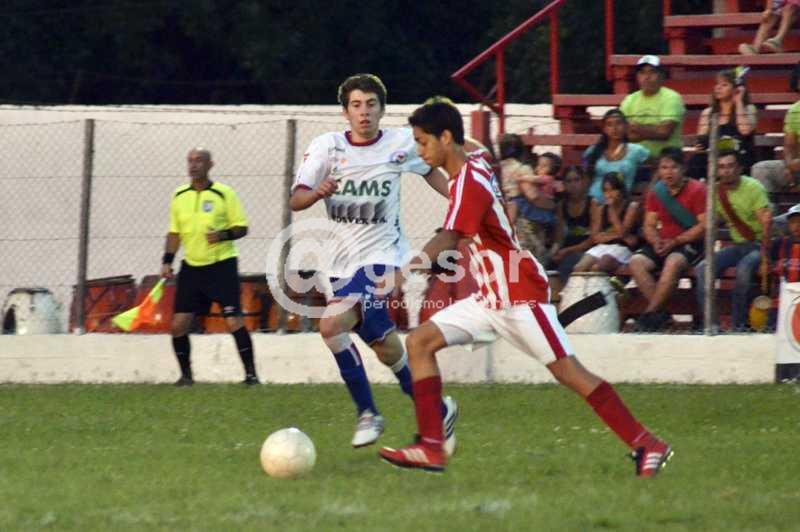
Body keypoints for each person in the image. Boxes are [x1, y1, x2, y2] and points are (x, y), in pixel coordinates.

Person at [378, 100, 673, 477]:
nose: (419, 151)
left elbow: (449, 237)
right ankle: (431, 447)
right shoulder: (474, 163)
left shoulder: (469, 183)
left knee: (570, 373)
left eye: (423, 141)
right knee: (419, 342)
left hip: (520, 298)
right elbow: (478, 149)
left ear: (445, 138)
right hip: (489, 298)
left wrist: (402, 274)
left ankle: (648, 444)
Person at [289, 74, 457, 452]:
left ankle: (368, 413)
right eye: (356, 105)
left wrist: (461, 198)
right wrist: (317, 193)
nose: (364, 112)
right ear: (345, 112)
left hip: (384, 259)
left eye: (370, 105)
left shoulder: (400, 142)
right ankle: (438, 409)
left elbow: (431, 171)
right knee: (387, 350)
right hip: (340, 266)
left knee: (331, 324)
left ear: (382, 110)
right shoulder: (327, 147)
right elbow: (296, 199)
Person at [161, 148, 259, 386]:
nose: (194, 165)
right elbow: (174, 233)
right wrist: (167, 260)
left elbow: (242, 227)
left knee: (233, 321)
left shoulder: (224, 193)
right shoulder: (179, 195)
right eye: (190, 161)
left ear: (210, 165)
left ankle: (251, 376)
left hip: (221, 266)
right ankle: (186, 377)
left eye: (199, 161)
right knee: (178, 325)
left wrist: (222, 235)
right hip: (191, 267)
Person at [628, 148, 707, 331]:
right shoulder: (657, 192)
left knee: (672, 262)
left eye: (673, 167)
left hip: (688, 243)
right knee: (636, 262)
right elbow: (649, 224)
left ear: (683, 169)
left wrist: (677, 241)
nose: (668, 172)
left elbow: (703, 226)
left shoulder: (698, 190)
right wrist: (655, 241)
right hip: (663, 241)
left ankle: (649, 315)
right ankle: (660, 315)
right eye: (664, 168)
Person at [695, 149, 772, 330]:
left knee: (744, 269)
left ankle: (739, 326)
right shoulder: (716, 191)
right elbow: (712, 221)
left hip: (758, 245)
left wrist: (765, 256)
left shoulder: (753, 187)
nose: (726, 171)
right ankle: (711, 324)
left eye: (730, 166)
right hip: (738, 246)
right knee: (702, 269)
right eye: (722, 167)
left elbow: (766, 223)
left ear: (739, 168)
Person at [688, 69, 757, 179]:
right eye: (717, 84)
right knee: (695, 161)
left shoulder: (749, 109)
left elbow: (745, 131)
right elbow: (701, 140)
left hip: (740, 157)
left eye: (724, 85)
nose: (718, 88)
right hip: (715, 157)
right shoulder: (707, 113)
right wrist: (699, 146)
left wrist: (738, 101)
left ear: (736, 89)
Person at [573, 172, 641, 274]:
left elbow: (622, 233)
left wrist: (611, 210)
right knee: (579, 268)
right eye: (606, 190)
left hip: (622, 247)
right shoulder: (601, 209)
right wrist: (616, 235)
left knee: (597, 267)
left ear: (621, 190)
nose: (609, 194)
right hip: (603, 246)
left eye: (613, 190)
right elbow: (595, 237)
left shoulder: (632, 206)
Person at [620, 55, 686, 160]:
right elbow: (622, 134)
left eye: (652, 72)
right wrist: (653, 130)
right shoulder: (629, 100)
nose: (647, 77)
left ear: (661, 76)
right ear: (637, 77)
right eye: (642, 73)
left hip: (666, 160)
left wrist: (636, 128)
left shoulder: (672, 97)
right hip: (635, 161)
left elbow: (664, 132)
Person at [583, 109, 650, 202]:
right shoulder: (593, 150)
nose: (614, 128)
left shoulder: (636, 150)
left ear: (626, 126)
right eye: (609, 124)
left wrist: (649, 189)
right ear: (604, 129)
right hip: (593, 201)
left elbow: (657, 166)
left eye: (618, 123)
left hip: (620, 203)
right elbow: (585, 177)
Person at [751, 62, 800, 191]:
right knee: (761, 169)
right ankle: (764, 204)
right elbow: (789, 146)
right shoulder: (795, 110)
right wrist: (789, 165)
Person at [513, 152, 560, 265]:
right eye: (538, 165)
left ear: (552, 169)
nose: (539, 168)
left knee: (535, 238)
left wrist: (521, 178)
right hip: (541, 210)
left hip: (540, 210)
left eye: (544, 166)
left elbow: (535, 180)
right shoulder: (550, 180)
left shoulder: (548, 179)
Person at [550, 166, 595, 282]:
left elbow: (593, 239)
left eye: (576, 180)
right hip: (567, 248)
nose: (573, 185)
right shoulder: (562, 205)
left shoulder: (592, 203)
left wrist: (568, 251)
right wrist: (554, 253)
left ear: (584, 181)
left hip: (587, 250)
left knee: (569, 262)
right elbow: (559, 238)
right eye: (569, 181)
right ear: (564, 184)